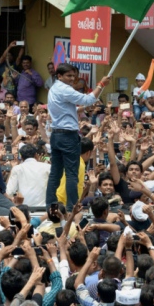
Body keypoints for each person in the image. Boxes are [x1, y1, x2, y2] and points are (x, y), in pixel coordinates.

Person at [45, 63, 110, 209]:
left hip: (56, 135)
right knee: (71, 174)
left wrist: (84, 108)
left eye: (74, 76)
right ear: (59, 76)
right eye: (68, 76)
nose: (72, 78)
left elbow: (72, 108)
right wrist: (101, 84)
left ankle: (50, 205)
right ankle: (71, 208)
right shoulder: (64, 89)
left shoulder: (54, 89)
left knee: (55, 173)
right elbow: (88, 99)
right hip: (67, 136)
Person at [5, 144, 50, 208]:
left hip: (24, 209)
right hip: (44, 209)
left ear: (21, 157)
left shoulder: (17, 169)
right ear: (36, 155)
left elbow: (9, 192)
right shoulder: (47, 167)